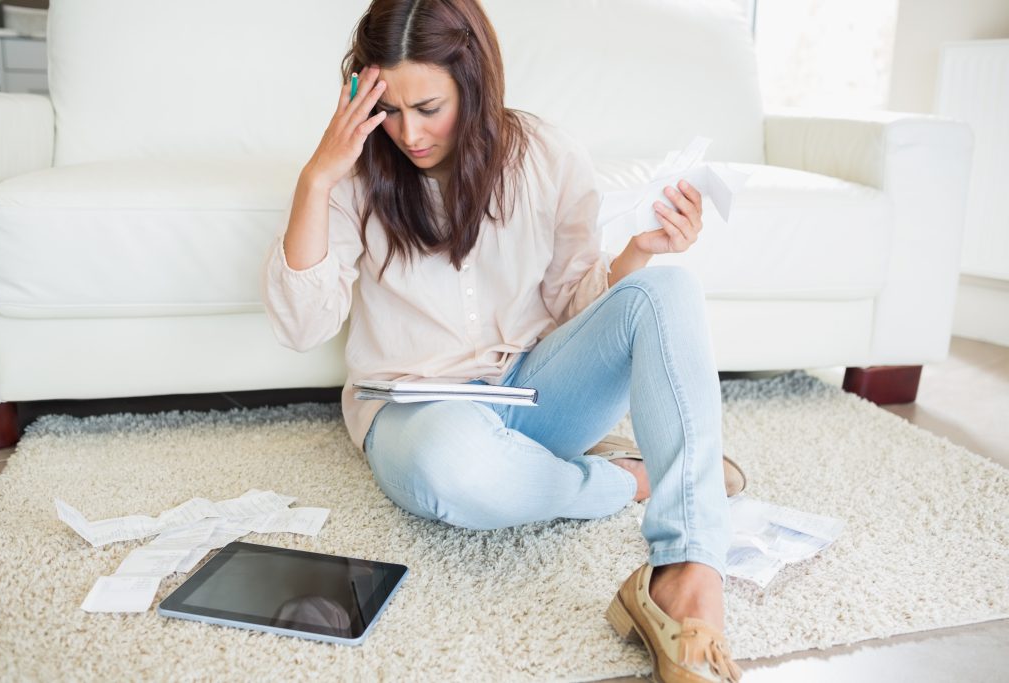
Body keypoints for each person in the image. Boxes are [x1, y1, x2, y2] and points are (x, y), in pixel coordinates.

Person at [262, 1, 743, 681]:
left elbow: (577, 307)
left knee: (670, 290)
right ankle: (622, 480)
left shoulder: (547, 154)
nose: (408, 132)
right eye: (390, 109)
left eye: (429, 106)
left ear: (474, 83)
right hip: (417, 414)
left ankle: (688, 575)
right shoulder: (354, 172)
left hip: (536, 389)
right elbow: (300, 324)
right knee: (454, 462)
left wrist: (640, 250)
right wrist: (318, 177)